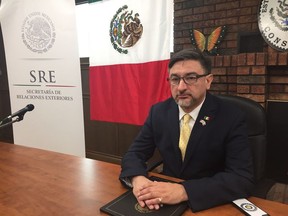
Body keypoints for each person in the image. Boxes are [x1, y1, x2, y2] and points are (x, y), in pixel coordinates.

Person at [119, 48, 254, 212]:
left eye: (191, 78)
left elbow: (241, 178)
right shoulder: (159, 112)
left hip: (208, 201)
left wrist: (184, 191)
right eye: (175, 79)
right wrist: (138, 179)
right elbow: (135, 153)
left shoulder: (231, 116)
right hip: (163, 200)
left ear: (208, 81)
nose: (181, 87)